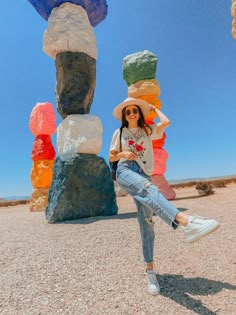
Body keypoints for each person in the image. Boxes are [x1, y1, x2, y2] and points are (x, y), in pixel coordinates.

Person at [109, 97, 220, 295]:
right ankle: (187, 222)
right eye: (128, 112)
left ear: (139, 113)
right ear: (124, 116)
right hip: (126, 171)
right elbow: (111, 155)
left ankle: (149, 270)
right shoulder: (119, 132)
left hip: (143, 172)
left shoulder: (147, 131)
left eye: (135, 110)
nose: (132, 113)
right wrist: (123, 155)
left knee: (147, 223)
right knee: (149, 188)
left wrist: (153, 109)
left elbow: (166, 122)